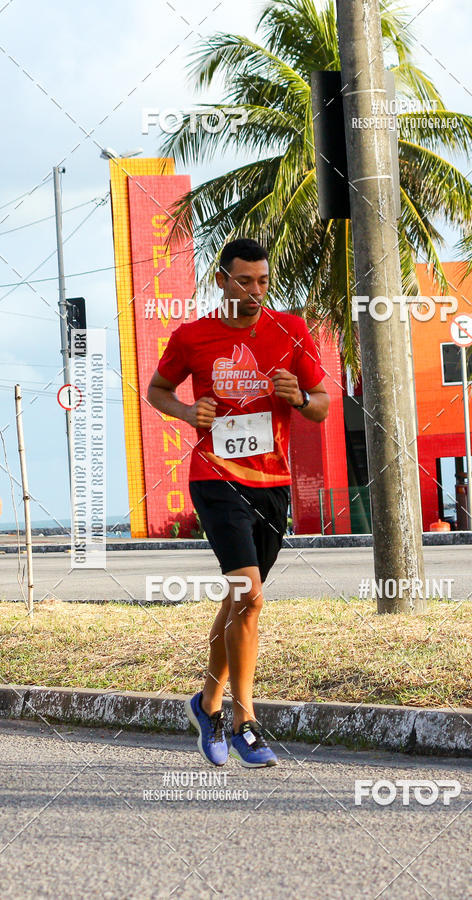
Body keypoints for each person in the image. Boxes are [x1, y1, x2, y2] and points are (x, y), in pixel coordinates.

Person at [147, 238, 330, 767]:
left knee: (238, 601)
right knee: (250, 596)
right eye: (244, 280)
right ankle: (245, 719)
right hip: (215, 478)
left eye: (263, 281)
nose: (255, 291)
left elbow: (320, 406)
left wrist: (297, 396)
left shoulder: (290, 331)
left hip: (272, 485)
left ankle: (205, 704)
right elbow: (158, 389)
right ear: (221, 279)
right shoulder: (192, 337)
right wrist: (187, 412)